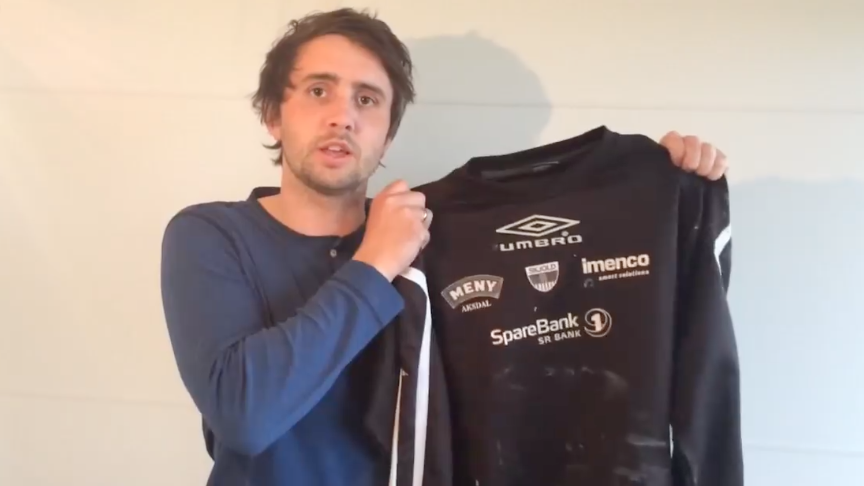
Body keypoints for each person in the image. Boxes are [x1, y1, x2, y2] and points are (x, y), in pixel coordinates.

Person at [159, 7, 731, 486]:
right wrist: (375, 262)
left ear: (388, 134)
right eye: (318, 91)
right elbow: (246, 414)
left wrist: (657, 184)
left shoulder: (439, 238)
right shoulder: (210, 235)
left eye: (367, 100)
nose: (342, 117)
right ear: (272, 115)